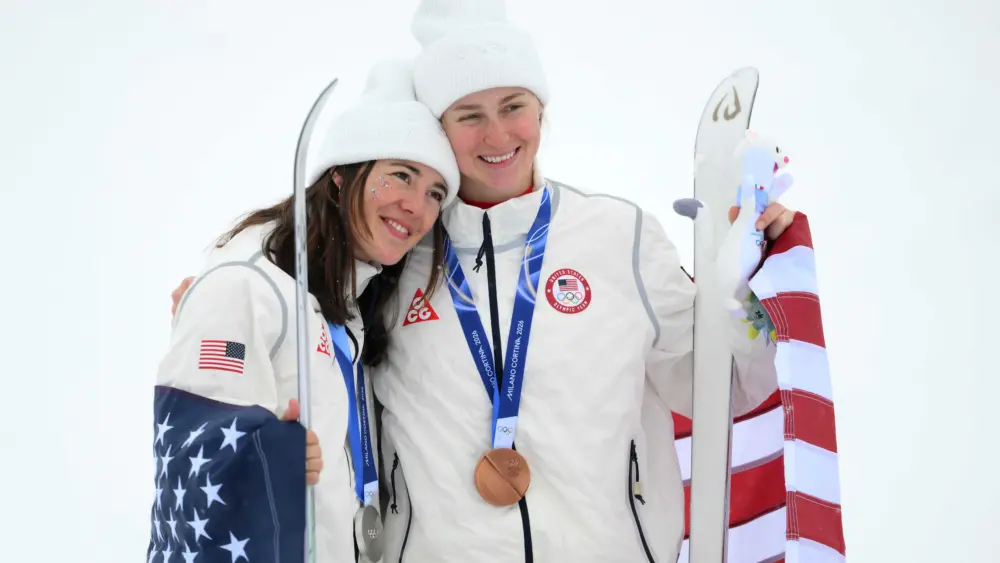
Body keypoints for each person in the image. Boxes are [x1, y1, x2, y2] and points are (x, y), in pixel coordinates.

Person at [170, 3, 800, 562]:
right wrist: (219, 309)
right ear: (437, 128)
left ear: (542, 110)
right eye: (468, 115)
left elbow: (725, 385)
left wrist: (753, 275)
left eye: (514, 107)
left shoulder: (619, 235)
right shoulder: (399, 253)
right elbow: (301, 316)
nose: (497, 136)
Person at [151, 58, 459, 563]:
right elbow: (186, 466)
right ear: (340, 176)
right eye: (400, 175)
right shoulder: (245, 287)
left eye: (435, 193)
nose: (417, 207)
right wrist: (266, 452)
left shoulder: (348, 305)